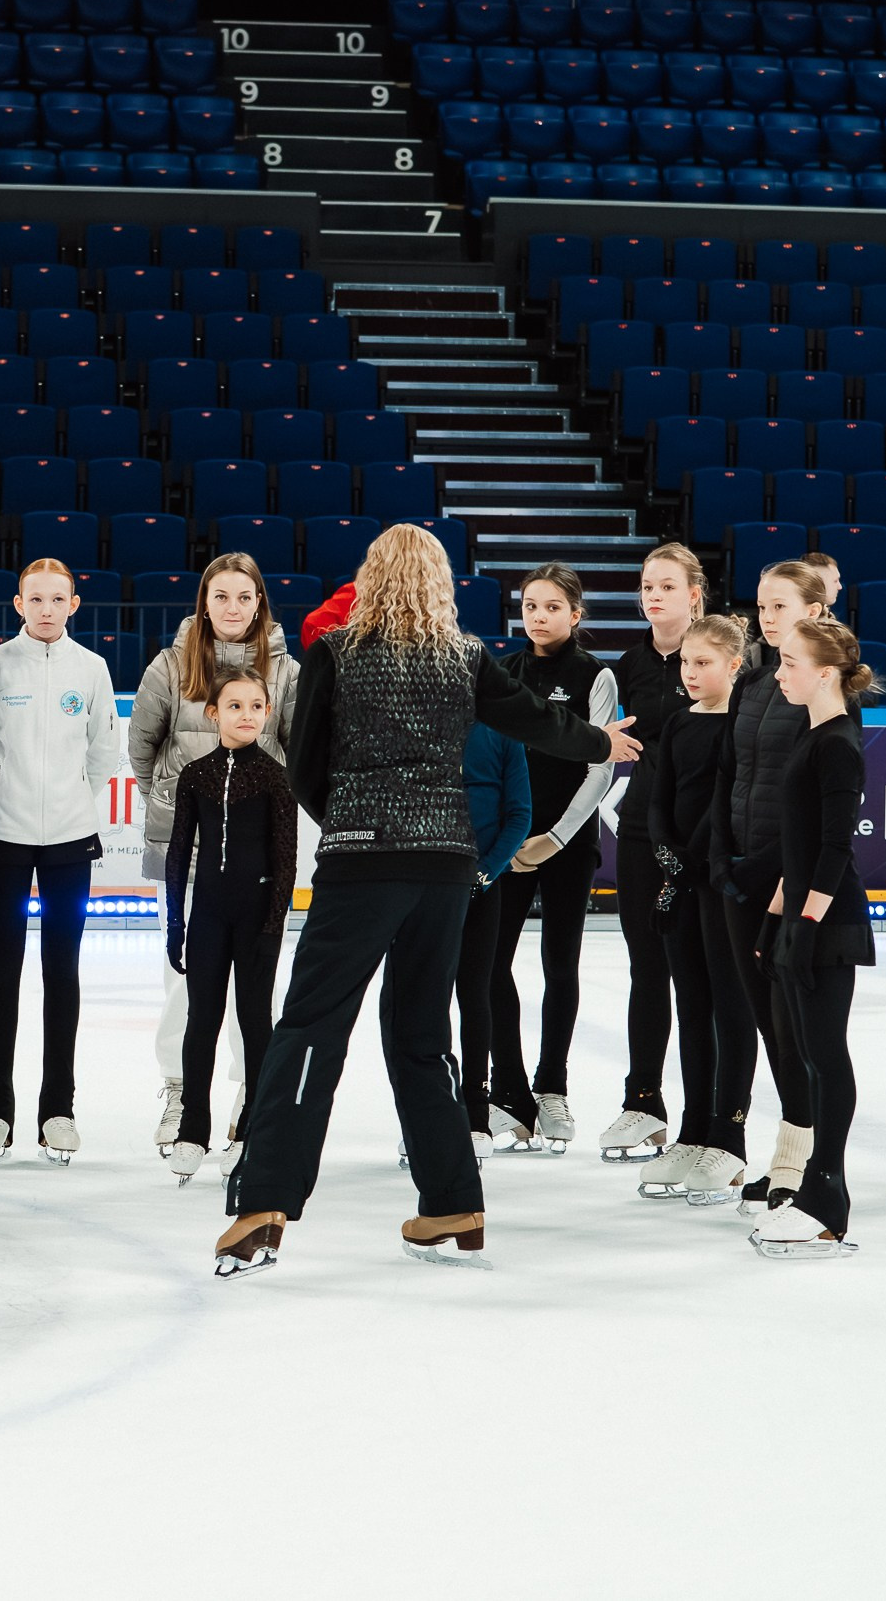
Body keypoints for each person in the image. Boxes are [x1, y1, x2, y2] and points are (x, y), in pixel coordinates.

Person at [210, 525, 639, 1281]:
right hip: (447, 867)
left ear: (371, 578)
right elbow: (539, 723)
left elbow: (305, 770)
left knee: (311, 1025)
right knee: (419, 1034)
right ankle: (453, 1200)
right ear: (440, 581)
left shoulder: (336, 654)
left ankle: (265, 1203)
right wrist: (602, 744)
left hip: (361, 858)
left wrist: (351, 820)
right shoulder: (466, 657)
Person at [127, 554, 297, 1154]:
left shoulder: (285, 672)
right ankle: (181, 1087)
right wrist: (179, 809)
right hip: (184, 850)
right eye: (220, 596)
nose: (232, 608)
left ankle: (248, 1092)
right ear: (204, 602)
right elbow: (142, 749)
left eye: (243, 598)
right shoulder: (171, 666)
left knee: (252, 986)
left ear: (259, 605)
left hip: (249, 859)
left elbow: (294, 752)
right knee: (186, 984)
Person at [0, 558, 117, 1165]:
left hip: (69, 842)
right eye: (37, 598)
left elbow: (103, 751)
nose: (47, 608)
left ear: (74, 604)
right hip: (3, 835)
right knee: (2, 970)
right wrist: (2, 790)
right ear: (18, 603)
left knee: (64, 970)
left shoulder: (93, 668)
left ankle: (58, 1109)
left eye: (58, 598)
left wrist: (73, 802)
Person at [709, 560, 836, 1214]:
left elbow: (819, 801)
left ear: (813, 611)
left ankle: (801, 1161)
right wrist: (720, 857)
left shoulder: (824, 690)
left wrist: (776, 871)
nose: (765, 614)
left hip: (785, 879)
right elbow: (731, 775)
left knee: (795, 1028)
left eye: (780, 604)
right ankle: (787, 1156)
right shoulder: (756, 682)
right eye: (760, 605)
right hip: (738, 875)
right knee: (765, 1022)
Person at [751, 617, 878, 1259]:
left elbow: (834, 848)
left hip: (830, 924)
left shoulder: (839, 744)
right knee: (809, 1054)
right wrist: (777, 918)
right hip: (804, 919)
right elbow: (797, 851)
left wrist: (804, 922)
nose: (780, 671)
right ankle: (812, 1192)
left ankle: (828, 1195)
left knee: (827, 1056)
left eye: (790, 662)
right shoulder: (815, 734)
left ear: (824, 672)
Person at [483, 563, 618, 1154]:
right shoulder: (504, 672)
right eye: (529, 606)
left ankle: (552, 1087)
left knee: (559, 966)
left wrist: (557, 838)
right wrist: (513, 839)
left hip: (566, 845)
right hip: (508, 845)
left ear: (576, 614)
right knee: (491, 967)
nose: (538, 616)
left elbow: (602, 763)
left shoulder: (595, 675)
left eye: (551, 607)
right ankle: (508, 1090)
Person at [639, 614, 756, 1206]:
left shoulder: (743, 724)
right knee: (691, 1005)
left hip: (720, 881)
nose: (690, 673)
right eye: (685, 662)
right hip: (682, 879)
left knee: (730, 1006)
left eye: (703, 663)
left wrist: (693, 861)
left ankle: (728, 1135)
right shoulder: (679, 722)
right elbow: (658, 799)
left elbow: (721, 798)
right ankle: (691, 1129)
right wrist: (667, 856)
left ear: (734, 665)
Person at [161, 670, 294, 1185]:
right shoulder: (195, 775)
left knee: (255, 1020)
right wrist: (176, 923)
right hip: (209, 916)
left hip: (256, 916)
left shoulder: (275, 776)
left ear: (266, 712)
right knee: (202, 1020)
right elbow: (178, 853)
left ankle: (254, 1130)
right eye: (234, 706)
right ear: (213, 713)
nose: (246, 715)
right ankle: (193, 1128)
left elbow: (286, 858)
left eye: (256, 706)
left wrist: (273, 923)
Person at [597, 543, 701, 1163]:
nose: (652, 595)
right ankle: (643, 1103)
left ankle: (706, 1114)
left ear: (694, 593)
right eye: (646, 586)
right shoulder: (628, 665)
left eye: (666, 586)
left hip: (699, 834)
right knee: (646, 969)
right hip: (639, 829)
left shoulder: (715, 659)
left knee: (697, 974)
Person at [453, 722, 531, 1162]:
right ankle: (430, 1109)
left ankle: (477, 1113)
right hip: (428, 883)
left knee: (476, 993)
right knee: (424, 998)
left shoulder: (502, 732)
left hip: (482, 885)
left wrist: (485, 874)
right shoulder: (423, 718)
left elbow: (519, 814)